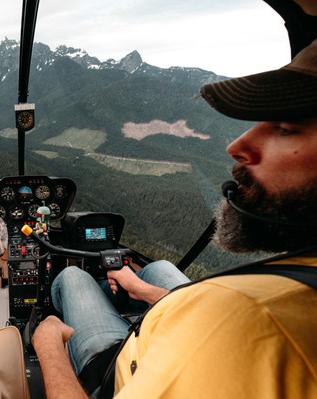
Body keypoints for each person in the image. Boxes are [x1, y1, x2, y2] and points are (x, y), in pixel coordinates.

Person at [32, 39, 317, 399]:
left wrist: (48, 344)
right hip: (170, 323)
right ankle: (127, 293)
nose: (236, 146)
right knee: (159, 266)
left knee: (73, 275)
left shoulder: (249, 318)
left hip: (114, 368)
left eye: (287, 128)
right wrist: (142, 290)